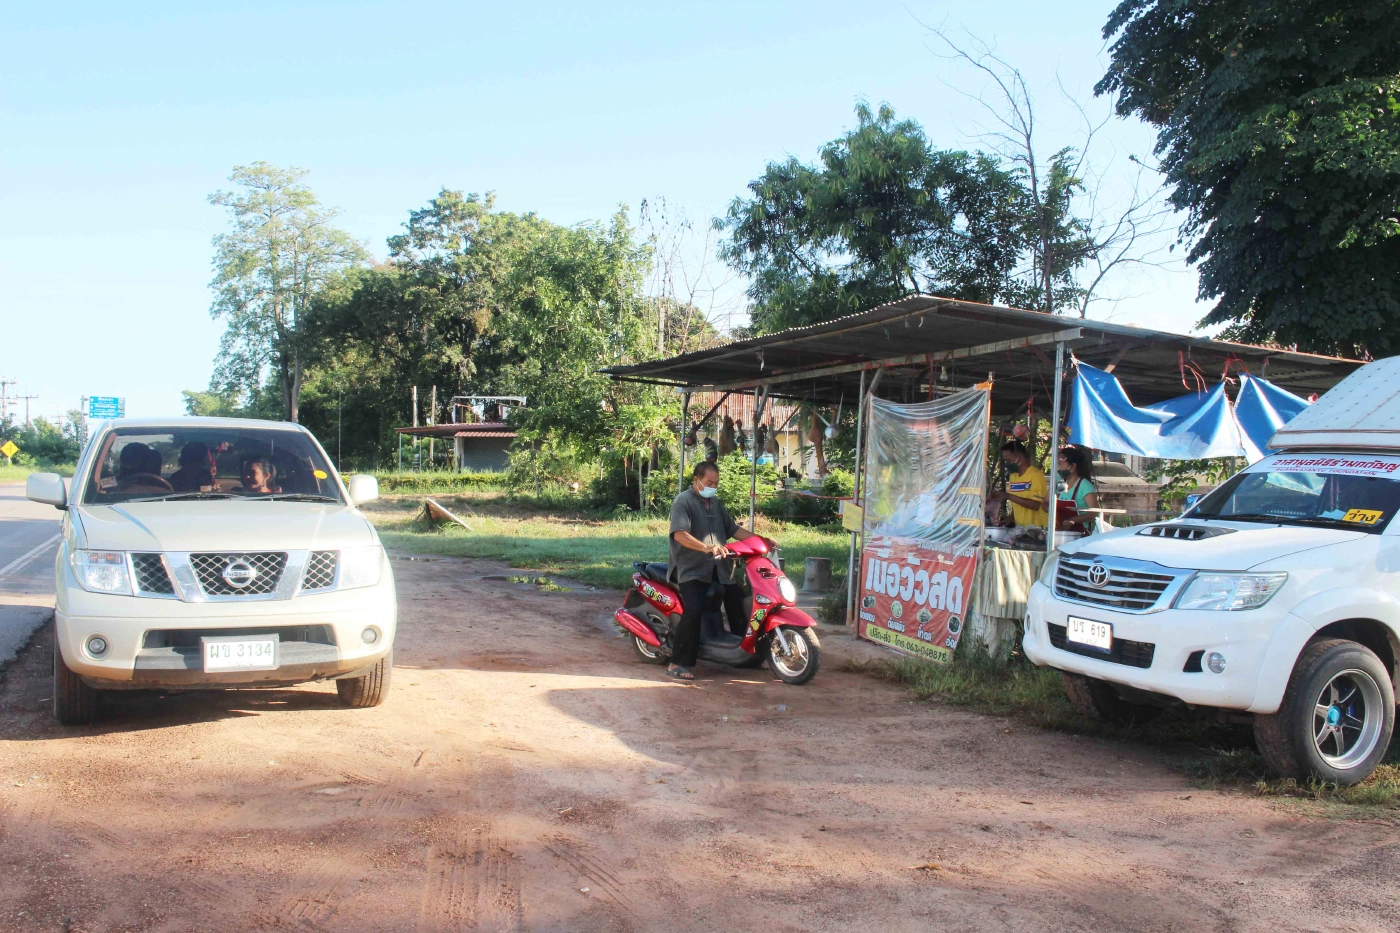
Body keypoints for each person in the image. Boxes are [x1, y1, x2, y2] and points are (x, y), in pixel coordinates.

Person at [666, 460, 761, 680]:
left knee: (740, 601)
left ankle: (743, 656)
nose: (713, 487)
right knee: (694, 610)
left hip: (720, 568)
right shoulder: (683, 501)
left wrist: (760, 539)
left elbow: (733, 529)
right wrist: (707, 548)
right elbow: (679, 534)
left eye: (716, 483)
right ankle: (677, 662)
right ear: (696, 480)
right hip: (692, 570)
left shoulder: (716, 504)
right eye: (709, 482)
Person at [988, 440, 1048, 528]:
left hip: (1037, 528)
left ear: (1020, 458)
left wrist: (1008, 496)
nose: (1006, 464)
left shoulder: (1036, 475)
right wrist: (1010, 518)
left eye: (1008, 460)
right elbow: (1017, 502)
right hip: (1021, 528)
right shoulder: (1013, 477)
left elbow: (1036, 505)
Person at [1056, 445, 1099, 529]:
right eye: (1058, 465)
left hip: (1081, 534)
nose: (1059, 468)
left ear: (1073, 466)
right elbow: (1046, 503)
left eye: (1061, 464)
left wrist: (1073, 520)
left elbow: (1094, 512)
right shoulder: (1058, 480)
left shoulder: (1085, 486)